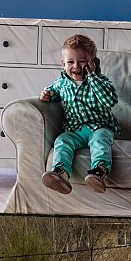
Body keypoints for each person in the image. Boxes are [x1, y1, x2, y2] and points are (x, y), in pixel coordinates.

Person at [39, 34, 119, 195]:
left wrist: (92, 76)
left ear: (93, 62)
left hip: (99, 126)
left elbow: (110, 101)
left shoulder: (102, 81)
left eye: (82, 61)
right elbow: (52, 91)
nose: (76, 66)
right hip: (74, 130)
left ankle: (99, 172)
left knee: (100, 141)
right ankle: (61, 174)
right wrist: (46, 94)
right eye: (70, 62)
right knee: (62, 141)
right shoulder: (61, 83)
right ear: (63, 64)